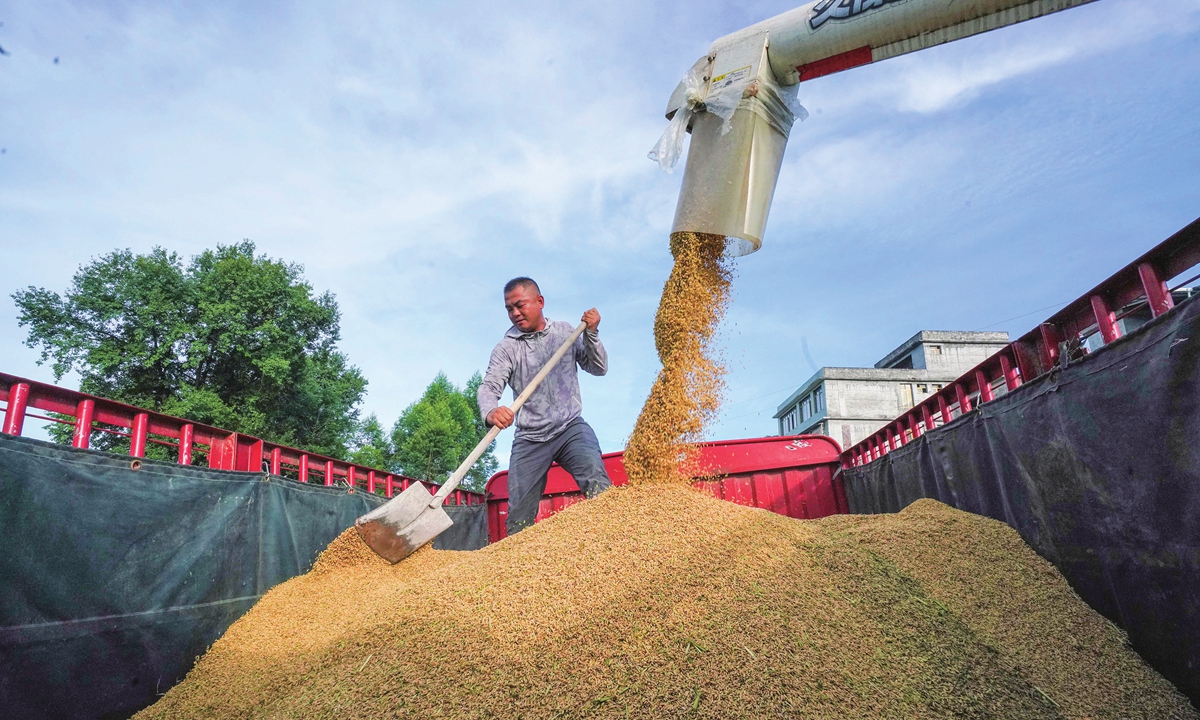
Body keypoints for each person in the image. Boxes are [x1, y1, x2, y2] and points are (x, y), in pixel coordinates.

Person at [477, 277, 611, 536]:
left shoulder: (565, 332)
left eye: (520, 305)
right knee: (518, 517)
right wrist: (491, 411)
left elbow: (598, 368)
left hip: (570, 427)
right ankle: (516, 565)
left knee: (598, 486)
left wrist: (591, 334)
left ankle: (613, 541)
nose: (515, 313)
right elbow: (489, 387)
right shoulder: (507, 349)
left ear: (540, 302)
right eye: (509, 309)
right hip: (531, 439)